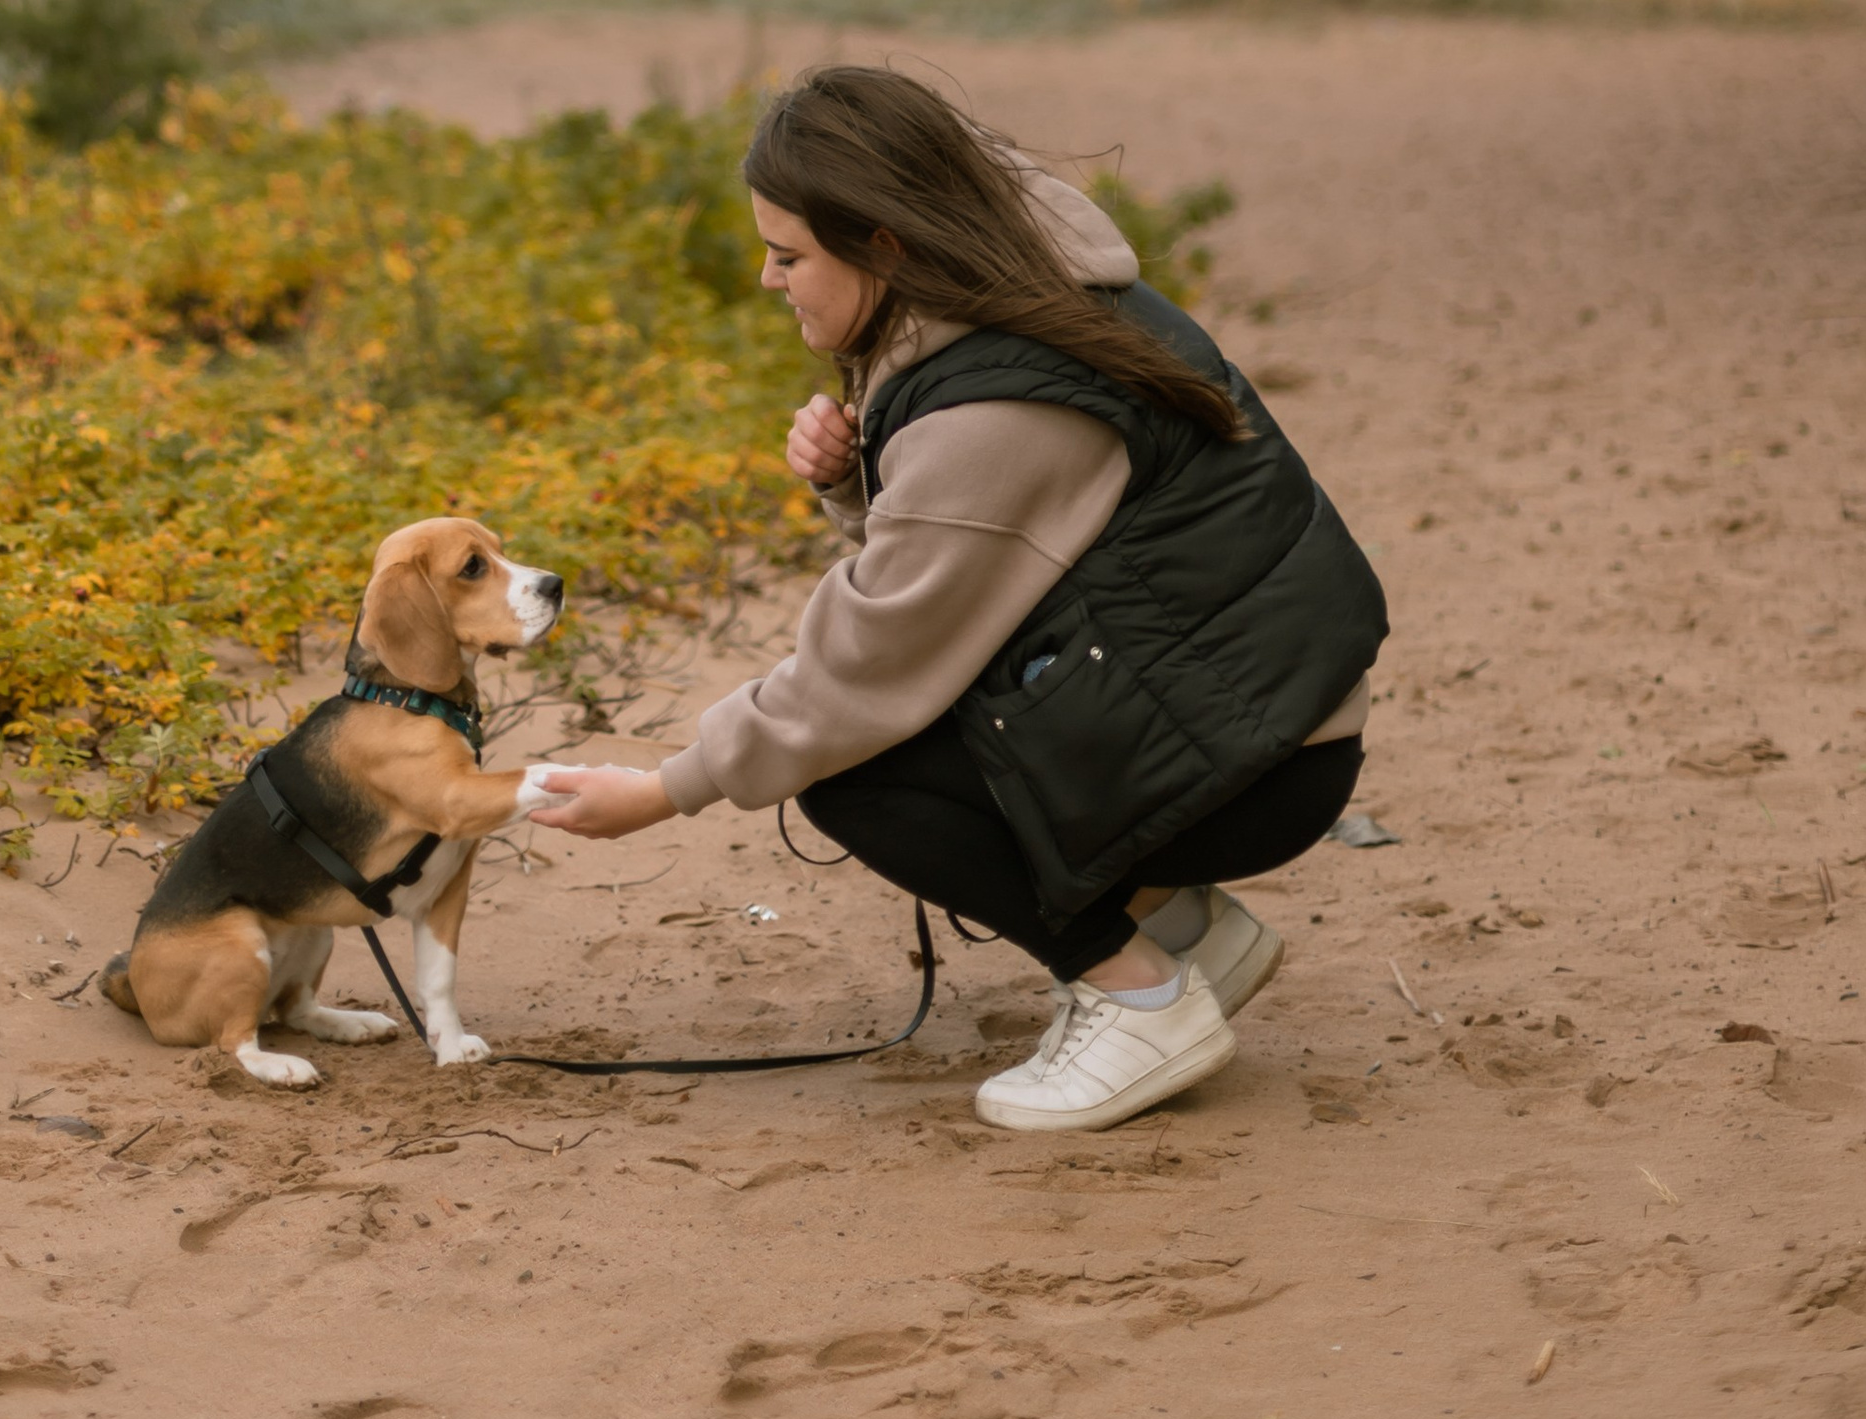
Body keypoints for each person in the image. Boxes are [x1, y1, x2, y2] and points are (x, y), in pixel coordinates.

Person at [526, 63, 1387, 1131]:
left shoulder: (995, 405)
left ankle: (1140, 997)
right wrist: (853, 483)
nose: (766, 277)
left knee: (860, 774)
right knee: (907, 722)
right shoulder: (1024, 292)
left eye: (788, 254)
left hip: (1258, 760)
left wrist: (664, 790)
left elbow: (866, 667)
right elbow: (987, 569)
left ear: (884, 242)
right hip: (1265, 709)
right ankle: (1181, 930)